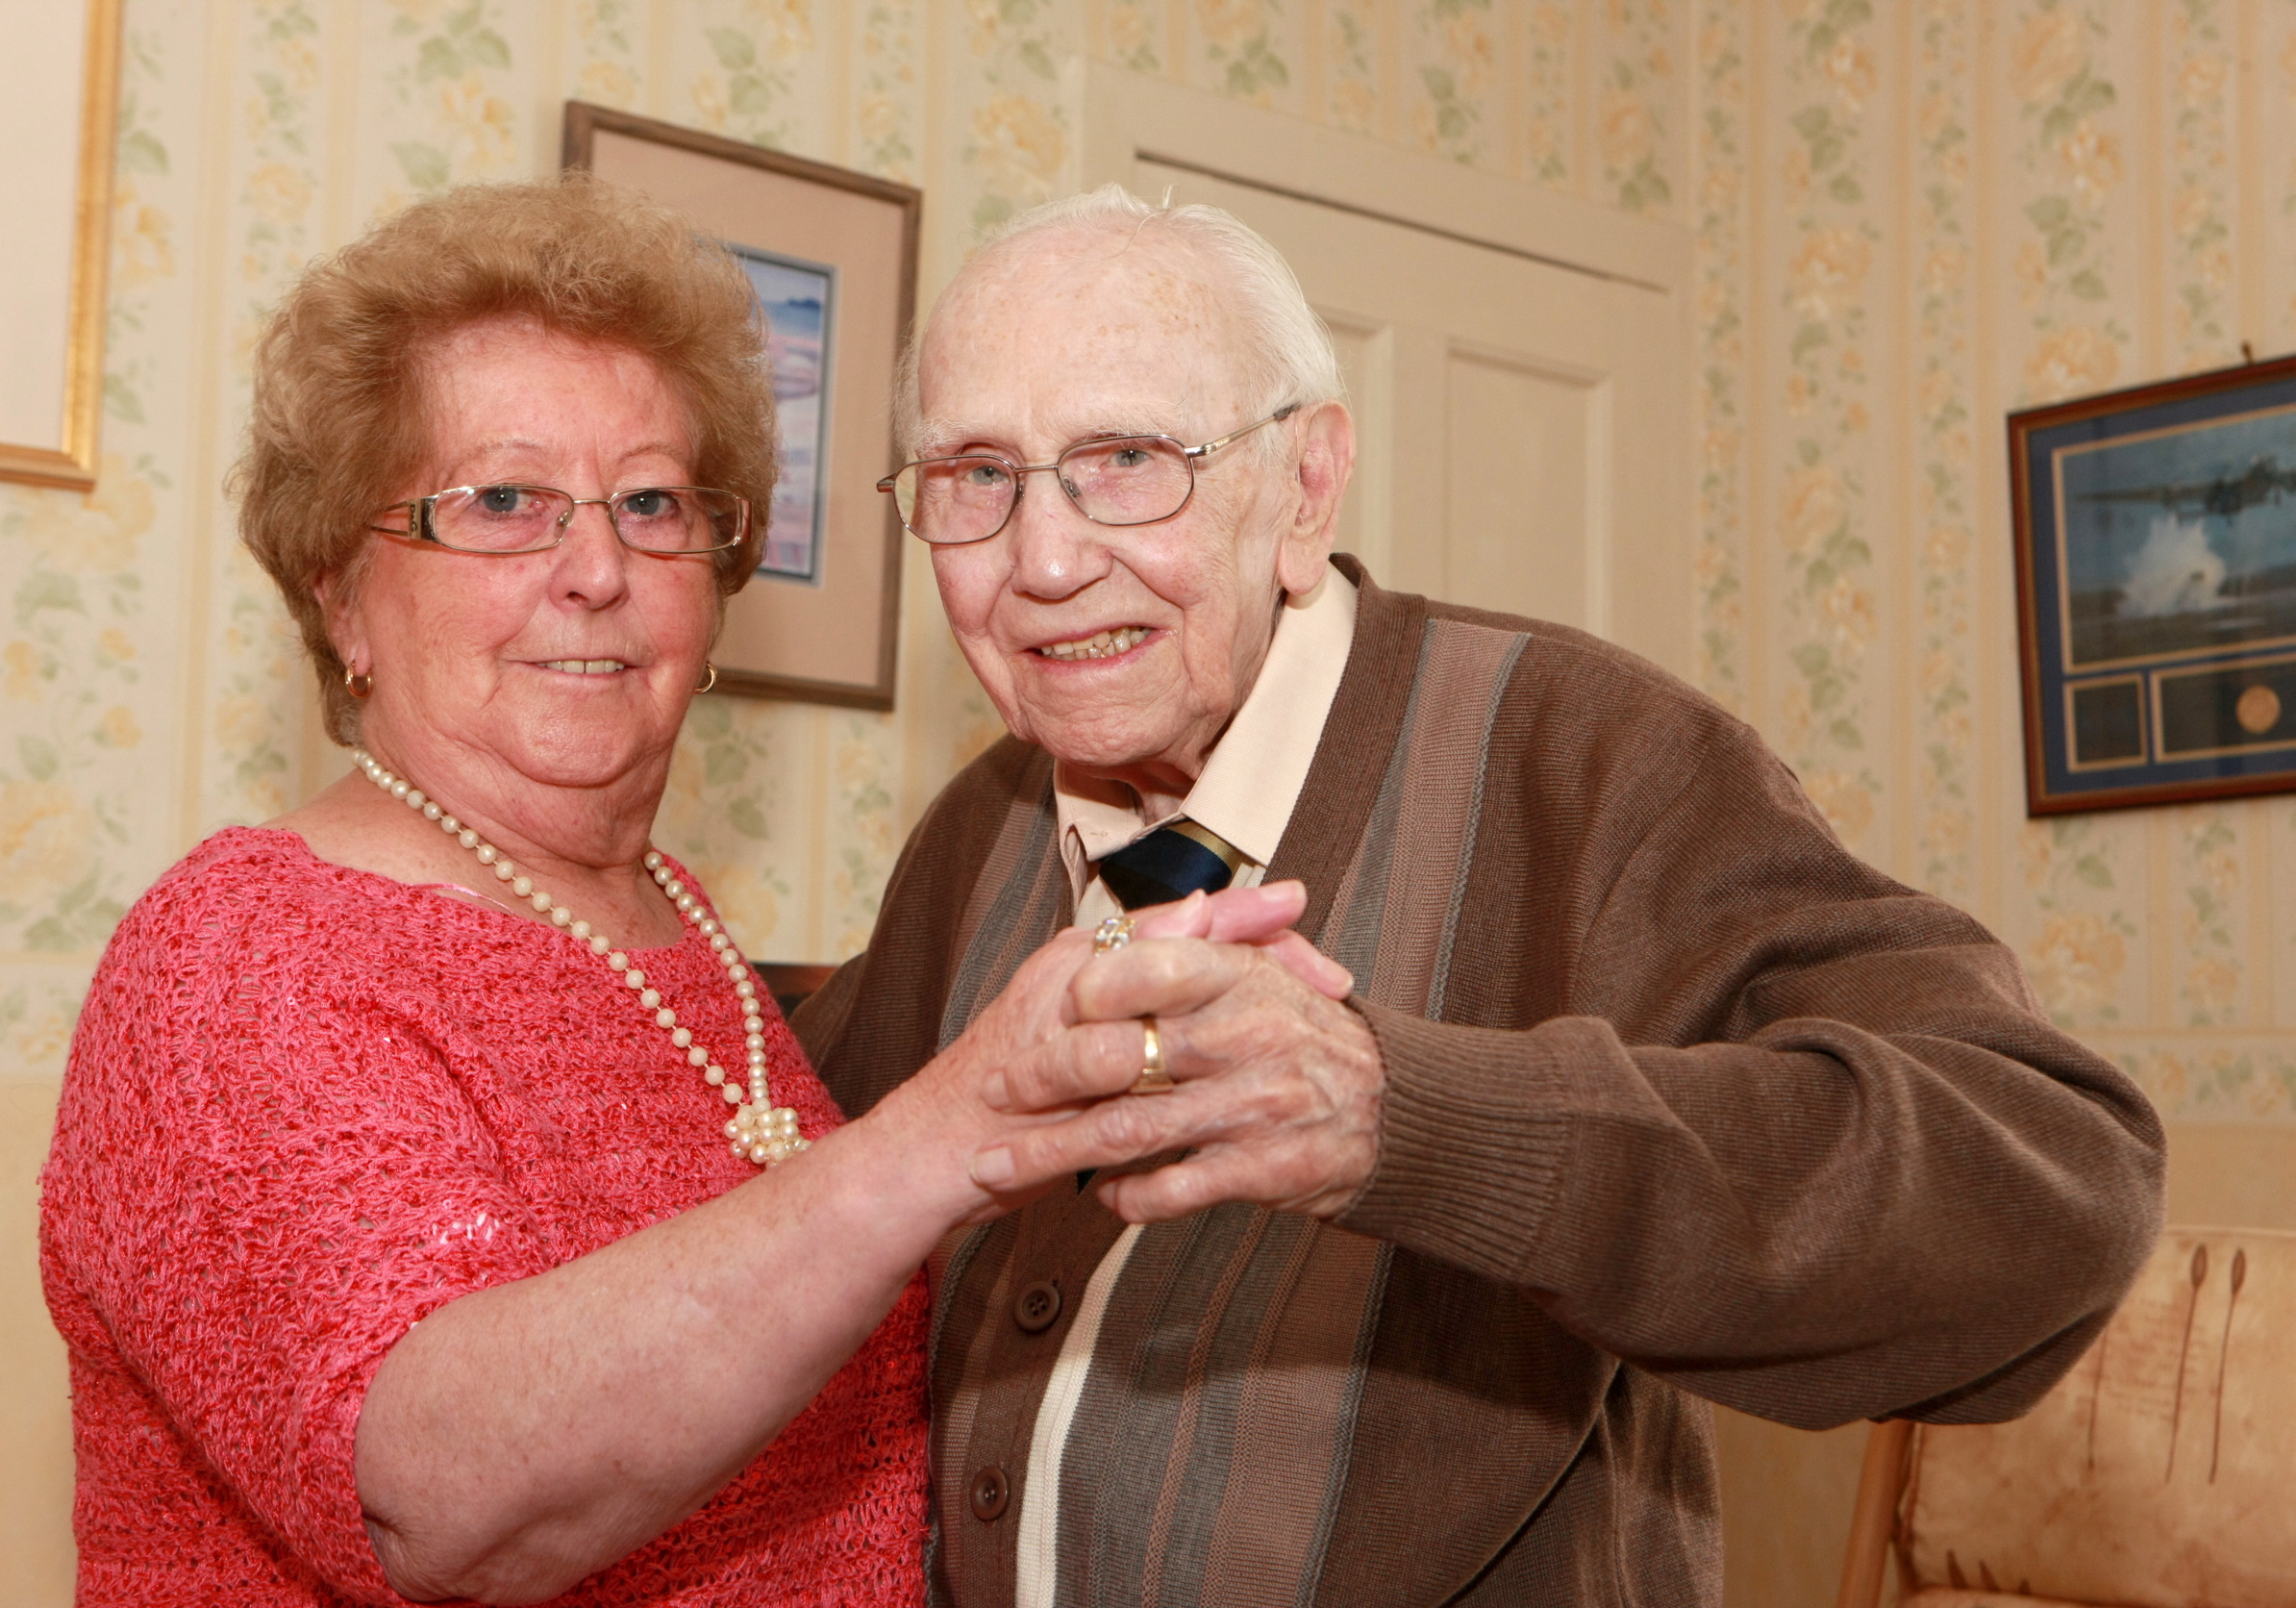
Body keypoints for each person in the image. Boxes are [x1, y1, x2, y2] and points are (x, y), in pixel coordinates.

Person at [795, 187, 2168, 1604]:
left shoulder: (1587, 759)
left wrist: (1409, 1119)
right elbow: (797, 1179)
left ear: (1307, 488)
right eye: (975, 476)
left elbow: (2058, 1191)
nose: (1044, 560)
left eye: (1127, 458)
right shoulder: (985, 826)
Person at [36, 177, 1332, 1608]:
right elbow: (432, 1496)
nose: (595, 570)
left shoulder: (683, 934)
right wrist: (947, 1134)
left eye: (653, 504)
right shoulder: (239, 960)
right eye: (505, 502)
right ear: (342, 592)